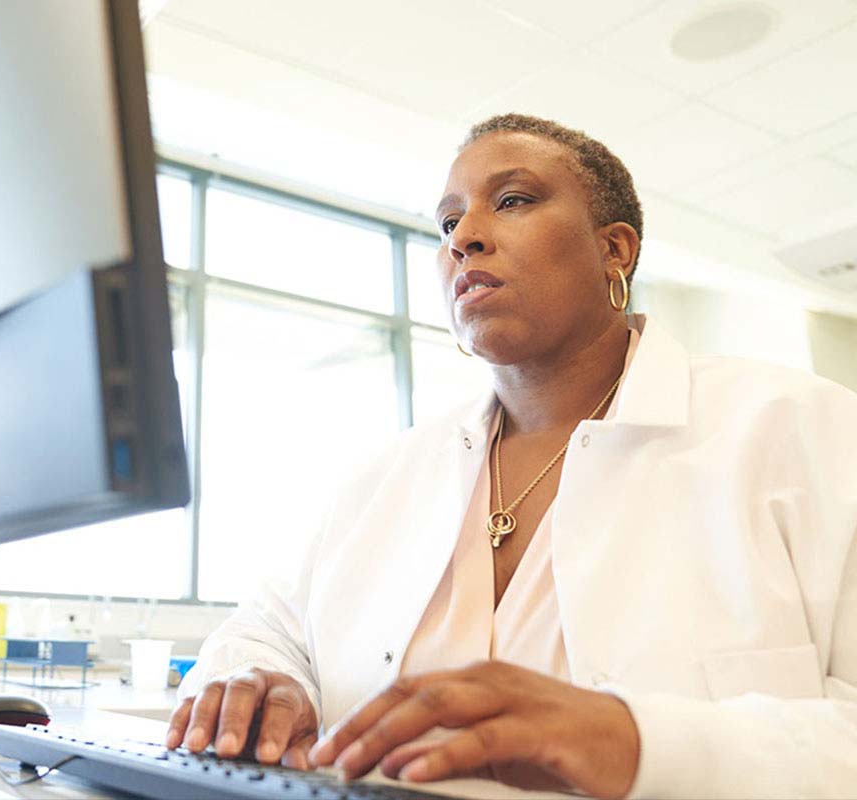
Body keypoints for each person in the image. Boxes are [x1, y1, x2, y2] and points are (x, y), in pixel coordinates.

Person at [166, 114, 857, 799]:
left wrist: (635, 740)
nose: (462, 238)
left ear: (615, 249)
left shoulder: (799, 429)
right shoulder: (383, 478)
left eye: (513, 200)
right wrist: (261, 681)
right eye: (446, 223)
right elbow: (261, 632)